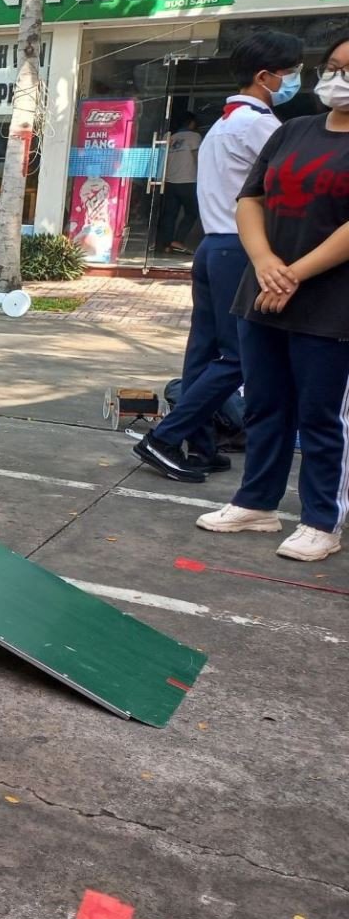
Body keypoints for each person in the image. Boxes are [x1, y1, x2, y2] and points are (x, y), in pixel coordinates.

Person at [195, 34, 349, 562]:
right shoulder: (293, 130)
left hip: (329, 302)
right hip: (262, 290)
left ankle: (321, 520)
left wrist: (293, 275)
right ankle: (256, 503)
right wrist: (264, 263)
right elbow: (250, 199)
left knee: (322, 417)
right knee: (265, 405)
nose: (337, 79)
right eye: (332, 67)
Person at [134, 31, 303, 483]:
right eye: (290, 72)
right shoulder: (261, 126)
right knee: (238, 358)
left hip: (213, 247)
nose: (295, 80)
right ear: (264, 76)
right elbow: (290, 190)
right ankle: (164, 438)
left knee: (203, 354)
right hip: (240, 248)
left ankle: (201, 445)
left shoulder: (222, 124)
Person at [159, 113, 203, 254]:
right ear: (191, 123)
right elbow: (197, 157)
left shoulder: (168, 137)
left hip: (169, 181)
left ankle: (167, 244)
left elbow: (161, 160)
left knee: (169, 214)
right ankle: (178, 240)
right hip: (188, 181)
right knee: (191, 213)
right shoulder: (194, 136)